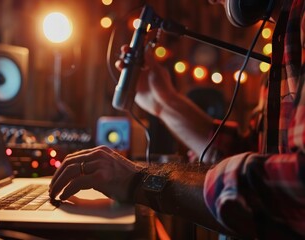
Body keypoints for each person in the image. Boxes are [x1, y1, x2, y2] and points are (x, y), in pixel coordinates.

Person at [49, 0, 305, 239]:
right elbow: (252, 153)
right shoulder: (285, 31)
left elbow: (295, 187)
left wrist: (142, 181)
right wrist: (163, 102)